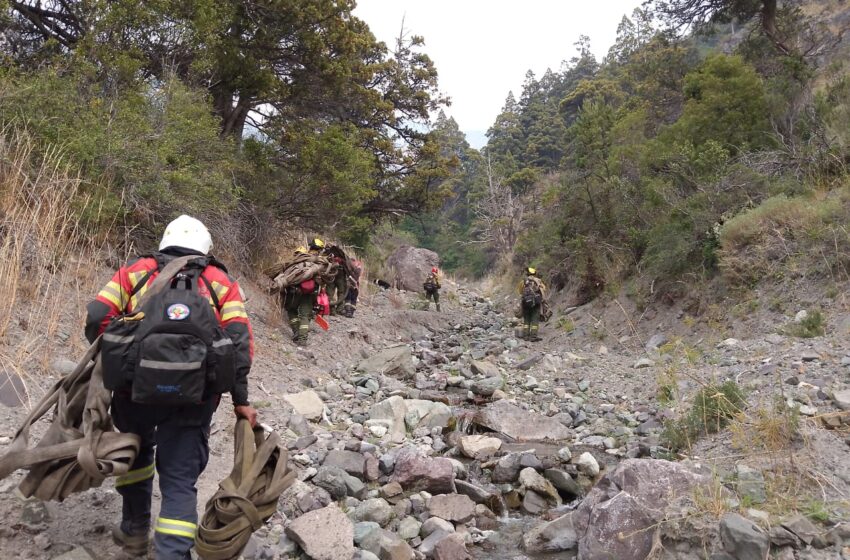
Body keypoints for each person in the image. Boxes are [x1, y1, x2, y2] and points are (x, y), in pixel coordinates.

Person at [85, 215, 257, 559]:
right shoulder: (219, 280)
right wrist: (241, 400)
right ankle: (173, 552)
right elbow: (240, 344)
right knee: (179, 477)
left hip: (133, 392)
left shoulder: (137, 271)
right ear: (205, 246)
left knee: (136, 455)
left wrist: (115, 358)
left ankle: (134, 531)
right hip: (194, 399)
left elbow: (97, 315)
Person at [283, 244, 320, 345]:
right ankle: (302, 339)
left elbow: (285, 279)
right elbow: (319, 282)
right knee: (305, 315)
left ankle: (296, 331)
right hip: (309, 294)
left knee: (291, 310)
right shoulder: (313, 265)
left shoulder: (292, 264)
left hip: (294, 293)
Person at [520, 267, 546, 341]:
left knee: (526, 319)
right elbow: (544, 289)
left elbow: (520, 291)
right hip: (536, 303)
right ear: (535, 274)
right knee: (535, 319)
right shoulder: (538, 281)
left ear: (527, 274)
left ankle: (526, 336)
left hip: (525, 303)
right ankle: (533, 336)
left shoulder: (523, 281)